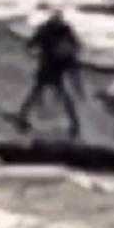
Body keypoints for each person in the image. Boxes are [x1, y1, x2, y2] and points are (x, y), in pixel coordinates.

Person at [17, 10, 83, 138]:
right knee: (58, 96)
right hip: (54, 68)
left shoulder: (49, 29)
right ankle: (75, 125)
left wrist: (34, 53)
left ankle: (22, 118)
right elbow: (77, 46)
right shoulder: (63, 30)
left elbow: (30, 45)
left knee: (36, 93)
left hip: (50, 67)